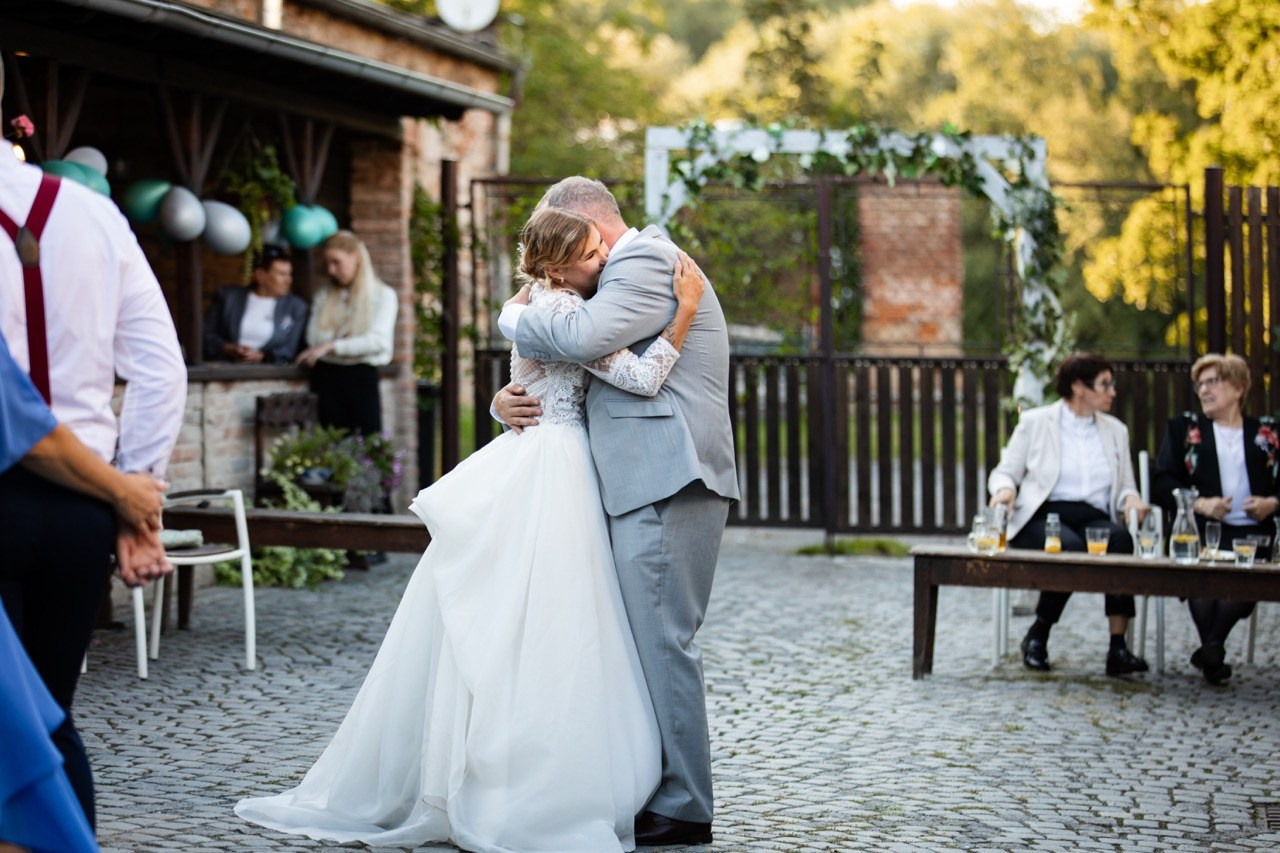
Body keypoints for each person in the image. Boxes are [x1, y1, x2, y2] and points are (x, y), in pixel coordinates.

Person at [236, 207, 705, 851]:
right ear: (559, 266)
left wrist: (498, 396)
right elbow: (643, 377)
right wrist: (686, 308)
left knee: (522, 611)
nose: (604, 263)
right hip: (555, 468)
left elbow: (521, 363)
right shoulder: (564, 315)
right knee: (553, 616)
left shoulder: (531, 304)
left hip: (542, 457)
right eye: (593, 256)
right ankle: (526, 779)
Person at [494, 176, 740, 847]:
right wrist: (503, 397)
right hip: (625, 478)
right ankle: (641, 784)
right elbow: (565, 357)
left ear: (589, 227)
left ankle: (686, 803)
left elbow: (588, 339)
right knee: (631, 643)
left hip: (665, 475)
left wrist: (510, 316)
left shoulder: (646, 259)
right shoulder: (596, 277)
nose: (596, 263)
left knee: (662, 642)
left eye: (591, 248)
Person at [0, 62, 186, 831]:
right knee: (48, 716)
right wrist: (132, 496)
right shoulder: (94, 214)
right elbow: (161, 369)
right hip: (85, 508)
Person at [0, 328, 170, 853]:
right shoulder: (111, 242)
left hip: (34, 506)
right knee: (39, 722)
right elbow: (162, 368)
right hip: (74, 506)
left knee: (25, 727)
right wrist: (128, 493)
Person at [988, 352, 1151, 677]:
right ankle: (1039, 634)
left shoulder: (1116, 431)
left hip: (1093, 514)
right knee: (1069, 547)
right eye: (1105, 384)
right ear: (1079, 387)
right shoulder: (1036, 422)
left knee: (1120, 540)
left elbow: (1125, 487)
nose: (1112, 392)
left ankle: (1117, 647)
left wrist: (1132, 499)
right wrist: (1005, 490)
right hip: (1043, 514)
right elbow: (1005, 472)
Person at [1152, 353, 1279, 685]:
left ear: (1238, 388)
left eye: (1213, 382)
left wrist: (1271, 503)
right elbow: (1162, 482)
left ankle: (1211, 647)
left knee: (1243, 577)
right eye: (1200, 384)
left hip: (1254, 533)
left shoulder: (1265, 435)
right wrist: (1201, 503)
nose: (1204, 390)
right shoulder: (1187, 429)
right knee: (1202, 583)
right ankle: (1214, 650)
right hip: (1205, 531)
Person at [294, 230, 397, 436]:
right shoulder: (324, 296)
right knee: (330, 449)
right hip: (326, 378)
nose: (331, 270)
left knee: (368, 451)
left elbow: (377, 342)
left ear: (355, 257)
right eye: (327, 264)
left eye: (336, 262)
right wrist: (351, 343)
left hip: (361, 377)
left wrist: (332, 346)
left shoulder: (383, 296)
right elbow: (314, 338)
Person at [202, 243, 308, 364]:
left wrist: (262, 356)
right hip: (225, 370)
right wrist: (230, 349)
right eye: (281, 274)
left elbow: (289, 350)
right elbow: (206, 335)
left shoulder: (296, 307)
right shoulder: (228, 297)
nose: (288, 280)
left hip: (270, 376)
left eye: (289, 274)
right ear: (260, 275)